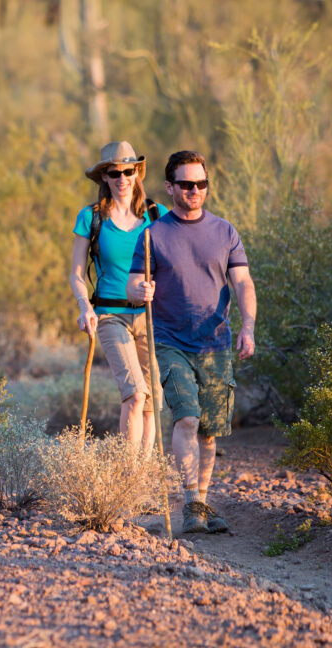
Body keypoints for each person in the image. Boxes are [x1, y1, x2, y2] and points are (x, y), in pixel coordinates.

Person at [126, 150, 256, 533]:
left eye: (201, 183)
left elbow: (243, 281)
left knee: (210, 431)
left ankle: (200, 500)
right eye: (186, 184)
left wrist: (247, 326)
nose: (195, 190)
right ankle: (189, 502)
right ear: (170, 187)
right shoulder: (152, 236)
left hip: (215, 343)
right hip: (169, 342)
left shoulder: (225, 231)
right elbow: (133, 285)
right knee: (186, 417)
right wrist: (141, 290)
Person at [68, 141, 169, 451]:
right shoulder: (91, 217)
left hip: (151, 317)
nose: (122, 179)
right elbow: (75, 273)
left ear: (137, 173)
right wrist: (85, 307)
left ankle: (142, 478)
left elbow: (173, 265)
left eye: (128, 171)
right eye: (114, 173)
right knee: (135, 394)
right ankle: (128, 476)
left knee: (151, 401)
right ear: (104, 177)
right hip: (111, 316)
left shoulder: (158, 215)